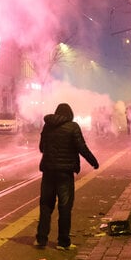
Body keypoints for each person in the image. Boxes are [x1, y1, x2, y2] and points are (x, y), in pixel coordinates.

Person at [35, 102, 99, 251]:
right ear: (69, 114)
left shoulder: (47, 126)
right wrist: (93, 162)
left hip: (48, 171)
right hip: (65, 173)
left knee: (45, 206)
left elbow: (41, 148)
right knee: (65, 207)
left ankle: (41, 239)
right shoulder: (73, 127)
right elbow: (81, 147)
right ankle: (63, 242)